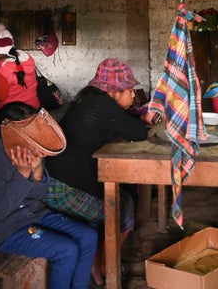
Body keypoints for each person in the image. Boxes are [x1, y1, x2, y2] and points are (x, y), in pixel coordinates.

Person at [43, 58, 157, 285]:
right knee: (123, 211)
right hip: (64, 190)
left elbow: (123, 122)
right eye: (130, 90)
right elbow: (139, 133)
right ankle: (106, 266)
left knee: (113, 203)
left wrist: (134, 116)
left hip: (55, 181)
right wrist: (141, 120)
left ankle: (95, 267)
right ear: (114, 92)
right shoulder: (103, 106)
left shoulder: (91, 101)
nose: (134, 96)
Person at [0, 102, 98, 289]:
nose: (34, 134)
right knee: (66, 250)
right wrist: (22, 174)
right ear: (10, 132)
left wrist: (37, 170)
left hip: (32, 214)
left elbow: (38, 196)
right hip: (3, 228)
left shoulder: (28, 146)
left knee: (88, 236)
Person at [0, 22, 41, 120]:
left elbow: (0, 96)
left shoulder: (2, 71)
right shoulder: (25, 59)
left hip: (14, 115)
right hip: (33, 109)